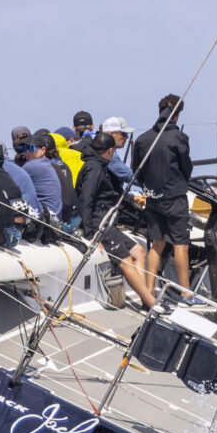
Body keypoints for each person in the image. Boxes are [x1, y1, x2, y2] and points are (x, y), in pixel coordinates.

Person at [77, 132, 155, 308]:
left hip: (108, 221)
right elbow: (86, 201)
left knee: (139, 252)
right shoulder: (95, 169)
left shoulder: (101, 166)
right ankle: (152, 304)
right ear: (110, 151)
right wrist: (90, 235)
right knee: (126, 262)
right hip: (100, 225)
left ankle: (146, 300)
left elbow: (111, 196)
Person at [132, 94, 193, 296]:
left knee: (157, 243)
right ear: (176, 116)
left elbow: (136, 170)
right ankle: (186, 293)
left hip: (153, 199)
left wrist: (150, 189)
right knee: (181, 243)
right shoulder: (178, 138)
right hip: (175, 198)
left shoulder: (142, 140)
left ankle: (149, 290)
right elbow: (187, 169)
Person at [21, 133, 63, 219]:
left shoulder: (32, 165)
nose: (27, 152)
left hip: (45, 220)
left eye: (31, 148)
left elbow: (12, 179)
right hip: (56, 217)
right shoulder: (46, 163)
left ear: (43, 150)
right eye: (25, 148)